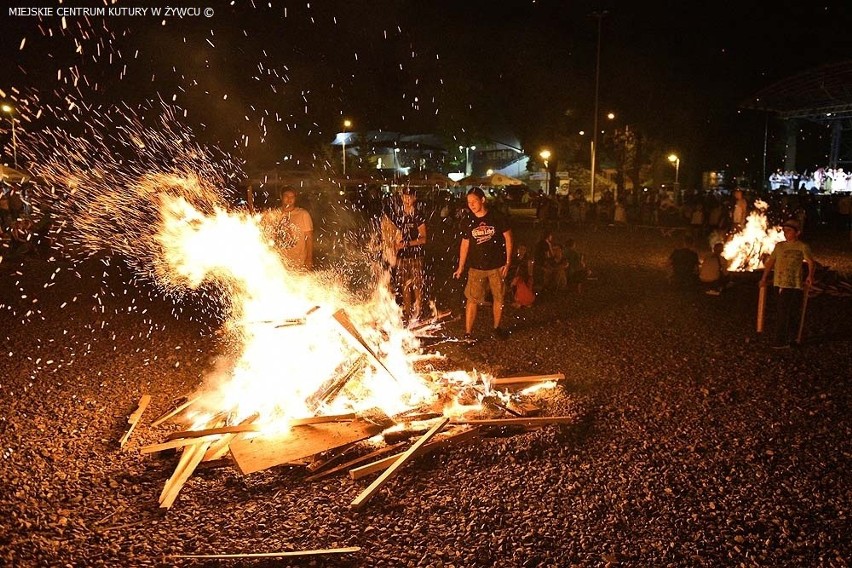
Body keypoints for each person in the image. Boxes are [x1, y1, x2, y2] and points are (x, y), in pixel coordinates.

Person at [453, 187, 513, 340]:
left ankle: (497, 328)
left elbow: (508, 238)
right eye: (469, 202)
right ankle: (468, 333)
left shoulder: (497, 217)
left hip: (497, 266)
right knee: (472, 299)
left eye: (474, 201)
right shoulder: (468, 220)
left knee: (498, 297)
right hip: (476, 267)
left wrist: (507, 261)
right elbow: (464, 244)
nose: (471, 205)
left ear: (483, 200)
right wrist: (460, 267)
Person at [759, 219, 815, 348]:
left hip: (794, 284)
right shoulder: (780, 246)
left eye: (789, 231)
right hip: (779, 283)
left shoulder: (802, 246)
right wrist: (763, 278)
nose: (785, 233)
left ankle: (788, 339)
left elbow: (811, 262)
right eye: (784, 230)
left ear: (797, 232)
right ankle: (785, 340)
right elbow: (771, 262)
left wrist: (810, 276)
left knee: (790, 312)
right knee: (782, 312)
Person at [389, 188, 427, 324]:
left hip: (416, 255)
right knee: (404, 285)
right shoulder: (398, 215)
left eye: (409, 197)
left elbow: (423, 238)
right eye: (404, 197)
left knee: (417, 284)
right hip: (401, 257)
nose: (406, 199)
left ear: (414, 199)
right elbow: (393, 233)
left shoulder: (418, 215)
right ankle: (408, 312)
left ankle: (418, 312)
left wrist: (407, 244)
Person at [262, 187, 314, 270]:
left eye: (292, 197)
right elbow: (267, 235)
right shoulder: (274, 215)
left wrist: (309, 259)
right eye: (286, 196)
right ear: (281, 197)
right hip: (278, 263)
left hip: (298, 263)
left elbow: (309, 238)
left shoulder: (303, 214)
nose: (289, 199)